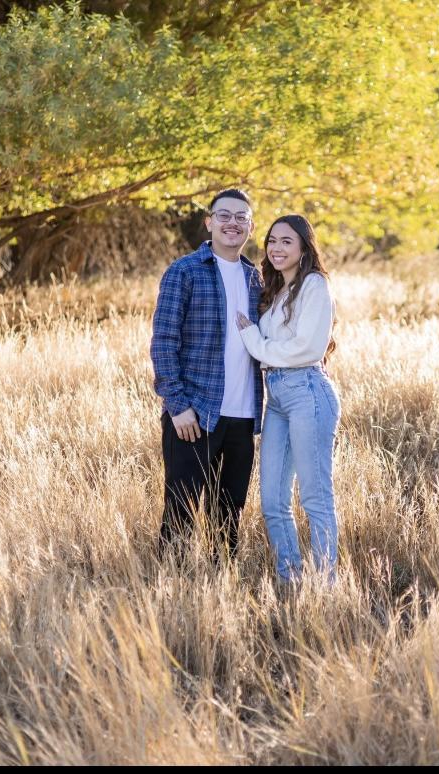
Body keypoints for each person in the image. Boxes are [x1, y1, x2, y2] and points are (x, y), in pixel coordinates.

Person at [150, 188, 263, 561]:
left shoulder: (256, 279)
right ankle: (172, 585)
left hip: (242, 416)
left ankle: (221, 585)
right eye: (224, 216)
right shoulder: (184, 271)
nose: (233, 223)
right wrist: (177, 405)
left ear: (250, 227)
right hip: (195, 413)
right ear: (209, 222)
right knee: (180, 511)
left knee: (228, 516)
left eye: (241, 217)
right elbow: (164, 342)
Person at [235, 215, 339, 583]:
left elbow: (307, 348)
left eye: (286, 241)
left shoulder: (315, 285)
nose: (276, 248)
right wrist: (262, 347)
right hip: (276, 398)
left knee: (315, 497)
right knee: (273, 501)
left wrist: (255, 341)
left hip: (307, 392)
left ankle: (325, 585)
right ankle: (290, 579)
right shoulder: (278, 289)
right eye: (272, 241)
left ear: (304, 248)